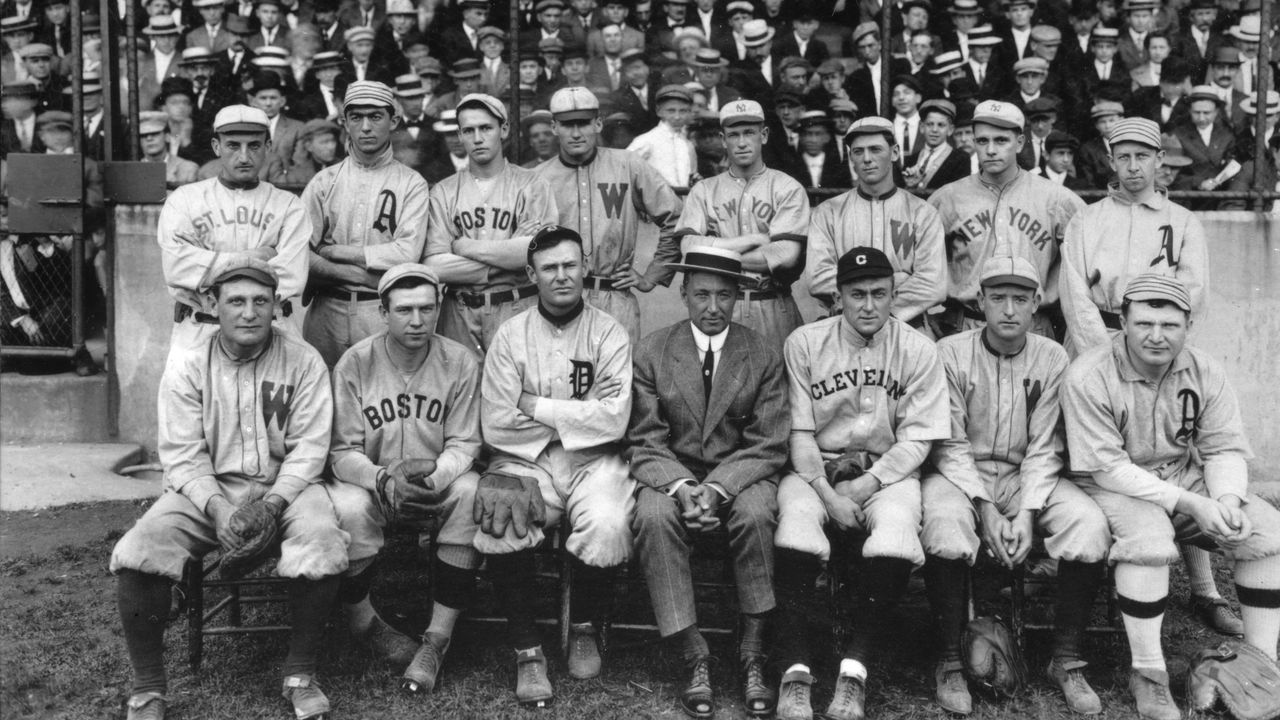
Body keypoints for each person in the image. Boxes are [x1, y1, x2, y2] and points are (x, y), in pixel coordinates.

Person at [109, 258, 347, 720]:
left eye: (261, 301)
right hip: (206, 491)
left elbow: (310, 447)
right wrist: (218, 510)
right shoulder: (189, 364)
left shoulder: (303, 360)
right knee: (139, 549)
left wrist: (274, 504)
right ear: (212, 306)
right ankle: (148, 687)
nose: (249, 312)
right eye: (236, 301)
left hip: (288, 488)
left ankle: (300, 673)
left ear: (277, 307)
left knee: (322, 539)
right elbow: (181, 453)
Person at [1062, 274, 1280, 720]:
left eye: (1170, 325)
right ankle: (1148, 672)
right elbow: (1108, 468)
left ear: (1188, 324)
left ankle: (1260, 663)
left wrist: (1228, 500)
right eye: (1144, 323)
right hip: (1113, 483)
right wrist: (1193, 504)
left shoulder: (1203, 368)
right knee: (1150, 542)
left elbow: (1223, 447)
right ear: (1122, 321)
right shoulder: (1089, 373)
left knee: (1265, 532)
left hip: (1179, 475)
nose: (1157, 336)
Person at [1056, 117, 1240, 637]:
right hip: (1098, 347)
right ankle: (1097, 574)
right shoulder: (1087, 219)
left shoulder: (1182, 221)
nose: (1133, 166)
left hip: (1162, 351)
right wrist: (1111, 358)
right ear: (1111, 161)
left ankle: (1204, 588)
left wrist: (1157, 351)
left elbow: (1194, 295)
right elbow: (1075, 296)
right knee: (1106, 460)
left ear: (1160, 161)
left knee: (1176, 453)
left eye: (1144, 156)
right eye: (1124, 156)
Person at [920, 255, 1112, 716]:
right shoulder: (949, 351)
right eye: (999, 298)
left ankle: (1065, 659)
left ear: (1036, 304)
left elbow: (1047, 446)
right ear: (979, 301)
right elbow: (950, 444)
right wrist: (985, 508)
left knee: (1087, 524)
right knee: (945, 525)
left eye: (1021, 299)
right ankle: (949, 658)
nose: (1009, 309)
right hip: (960, 475)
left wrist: (1027, 511)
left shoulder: (1052, 355)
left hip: (1028, 475)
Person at [773, 246, 949, 720]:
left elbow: (918, 440)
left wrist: (868, 484)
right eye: (857, 294)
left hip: (887, 470)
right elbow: (800, 433)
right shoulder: (806, 343)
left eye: (879, 294)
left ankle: (855, 671)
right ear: (839, 296)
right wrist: (830, 496)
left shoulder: (918, 348)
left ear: (894, 295)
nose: (868, 305)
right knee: (795, 526)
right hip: (816, 470)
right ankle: (794, 671)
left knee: (894, 534)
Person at [627, 246, 788, 720]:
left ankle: (753, 648)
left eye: (724, 295)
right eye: (701, 295)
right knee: (653, 515)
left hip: (740, 474)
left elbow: (768, 442)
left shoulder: (761, 353)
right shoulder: (653, 350)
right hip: (669, 472)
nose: (712, 307)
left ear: (739, 297)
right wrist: (681, 487)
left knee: (758, 513)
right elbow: (643, 439)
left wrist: (717, 488)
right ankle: (693, 650)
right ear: (683, 294)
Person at [477, 225, 634, 704]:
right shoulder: (509, 334)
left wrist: (535, 405)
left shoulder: (609, 330)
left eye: (570, 265)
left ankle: (584, 626)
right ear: (531, 274)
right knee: (505, 517)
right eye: (550, 268)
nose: (562, 275)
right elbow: (498, 424)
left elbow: (615, 419)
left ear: (585, 266)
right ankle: (528, 650)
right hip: (525, 461)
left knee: (608, 520)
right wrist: (580, 414)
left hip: (593, 461)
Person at [325, 263, 486, 692]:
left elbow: (466, 443)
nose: (417, 321)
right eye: (404, 310)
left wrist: (435, 477)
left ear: (438, 310)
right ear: (383, 312)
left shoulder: (460, 361)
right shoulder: (355, 362)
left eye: (426, 309)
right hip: (375, 484)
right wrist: (382, 481)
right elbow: (342, 452)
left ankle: (437, 638)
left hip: (436, 484)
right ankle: (366, 624)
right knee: (345, 506)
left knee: (470, 493)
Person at [156, 104, 310, 374]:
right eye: (232, 145)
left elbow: (291, 276)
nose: (244, 156)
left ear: (268, 146)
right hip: (200, 329)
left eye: (253, 145)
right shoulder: (184, 200)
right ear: (216, 146)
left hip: (271, 330)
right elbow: (177, 268)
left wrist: (209, 264)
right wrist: (251, 259)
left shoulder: (289, 206)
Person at [534, 86, 683, 343]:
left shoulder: (628, 164)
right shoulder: (538, 178)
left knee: (620, 380)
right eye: (568, 125)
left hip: (614, 295)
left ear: (599, 123)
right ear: (554, 127)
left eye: (584, 123)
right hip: (559, 299)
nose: (577, 133)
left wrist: (652, 275)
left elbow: (677, 217)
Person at [928, 100, 1085, 338]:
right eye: (982, 140)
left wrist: (1052, 291)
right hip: (966, 324)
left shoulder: (1055, 198)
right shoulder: (948, 198)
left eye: (1001, 140)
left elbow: (1084, 256)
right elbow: (921, 262)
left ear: (1020, 142)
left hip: (1034, 326)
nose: (990, 150)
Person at [302, 80, 429, 368]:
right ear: (344, 122)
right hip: (327, 309)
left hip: (380, 310)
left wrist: (337, 252)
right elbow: (300, 253)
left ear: (393, 120)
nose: (366, 127)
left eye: (375, 116)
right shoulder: (323, 182)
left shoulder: (411, 183)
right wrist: (359, 275)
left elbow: (407, 254)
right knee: (324, 400)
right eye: (356, 117)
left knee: (381, 399)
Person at [422, 93, 558, 358]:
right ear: (459, 136)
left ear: (503, 129)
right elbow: (434, 266)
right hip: (458, 313)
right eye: (468, 130)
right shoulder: (443, 191)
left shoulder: (532, 185)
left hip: (517, 306)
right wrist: (507, 257)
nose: (477, 137)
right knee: (462, 394)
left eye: (486, 128)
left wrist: (461, 246)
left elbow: (535, 253)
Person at [674, 99, 808, 351]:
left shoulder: (788, 188)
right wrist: (751, 241)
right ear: (724, 140)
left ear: (764, 135)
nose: (742, 142)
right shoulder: (704, 190)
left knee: (777, 386)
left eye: (749, 133)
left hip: (771, 303)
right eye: (734, 135)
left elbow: (785, 254)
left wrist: (713, 252)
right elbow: (688, 248)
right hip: (722, 308)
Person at [805, 116, 946, 332]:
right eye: (858, 151)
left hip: (907, 327)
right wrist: (895, 279)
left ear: (895, 153)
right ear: (850, 157)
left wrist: (875, 305)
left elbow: (933, 284)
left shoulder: (922, 212)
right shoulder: (828, 212)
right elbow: (817, 279)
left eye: (875, 149)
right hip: (845, 328)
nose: (867, 158)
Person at [626, 83, 697, 189]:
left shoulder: (688, 145)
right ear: (659, 111)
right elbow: (624, 169)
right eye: (671, 111)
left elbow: (692, 177)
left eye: (683, 111)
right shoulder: (647, 140)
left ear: (689, 112)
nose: (677, 117)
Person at [139, 111, 199, 186]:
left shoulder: (187, 168)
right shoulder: (134, 170)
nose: (149, 139)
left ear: (167, 137)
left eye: (155, 134)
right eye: (143, 135)